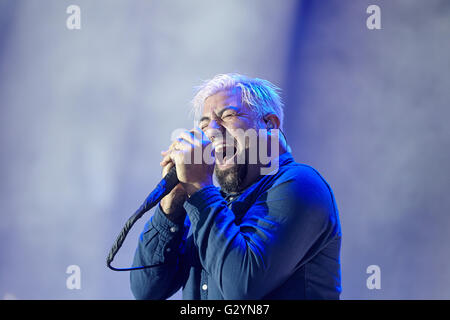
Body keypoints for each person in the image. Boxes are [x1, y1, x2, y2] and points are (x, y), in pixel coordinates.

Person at [130, 73, 342, 299]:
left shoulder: (302, 185)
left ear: (269, 123)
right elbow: (146, 291)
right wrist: (171, 205)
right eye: (204, 125)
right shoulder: (212, 202)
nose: (211, 131)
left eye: (228, 116)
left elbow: (242, 287)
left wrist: (200, 190)